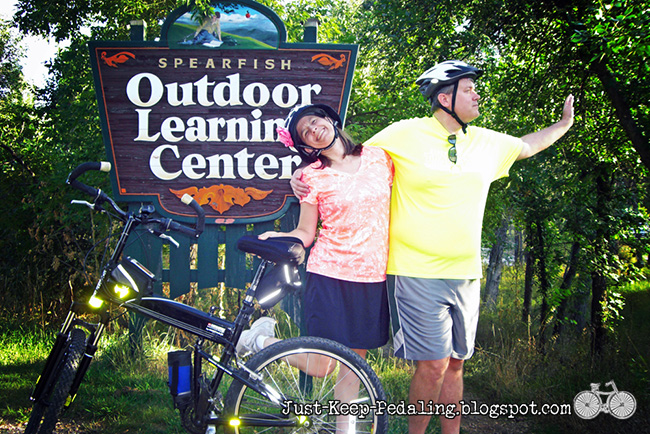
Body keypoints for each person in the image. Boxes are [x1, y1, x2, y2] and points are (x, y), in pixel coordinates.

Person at [290, 60, 575, 434]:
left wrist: (564, 124)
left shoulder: (485, 142)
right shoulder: (402, 134)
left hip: (466, 273)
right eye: (468, 89)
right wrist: (302, 176)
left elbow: (525, 146)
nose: (476, 94)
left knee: (455, 364)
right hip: (413, 271)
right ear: (444, 98)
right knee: (432, 363)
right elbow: (344, 162)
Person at [237, 103, 394, 433]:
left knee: (353, 366)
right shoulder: (312, 177)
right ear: (306, 146)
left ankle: (344, 430)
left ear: (329, 120)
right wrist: (280, 236)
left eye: (314, 121)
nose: (313, 129)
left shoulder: (379, 157)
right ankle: (258, 341)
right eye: (305, 132)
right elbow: (306, 232)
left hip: (372, 276)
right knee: (323, 364)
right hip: (329, 274)